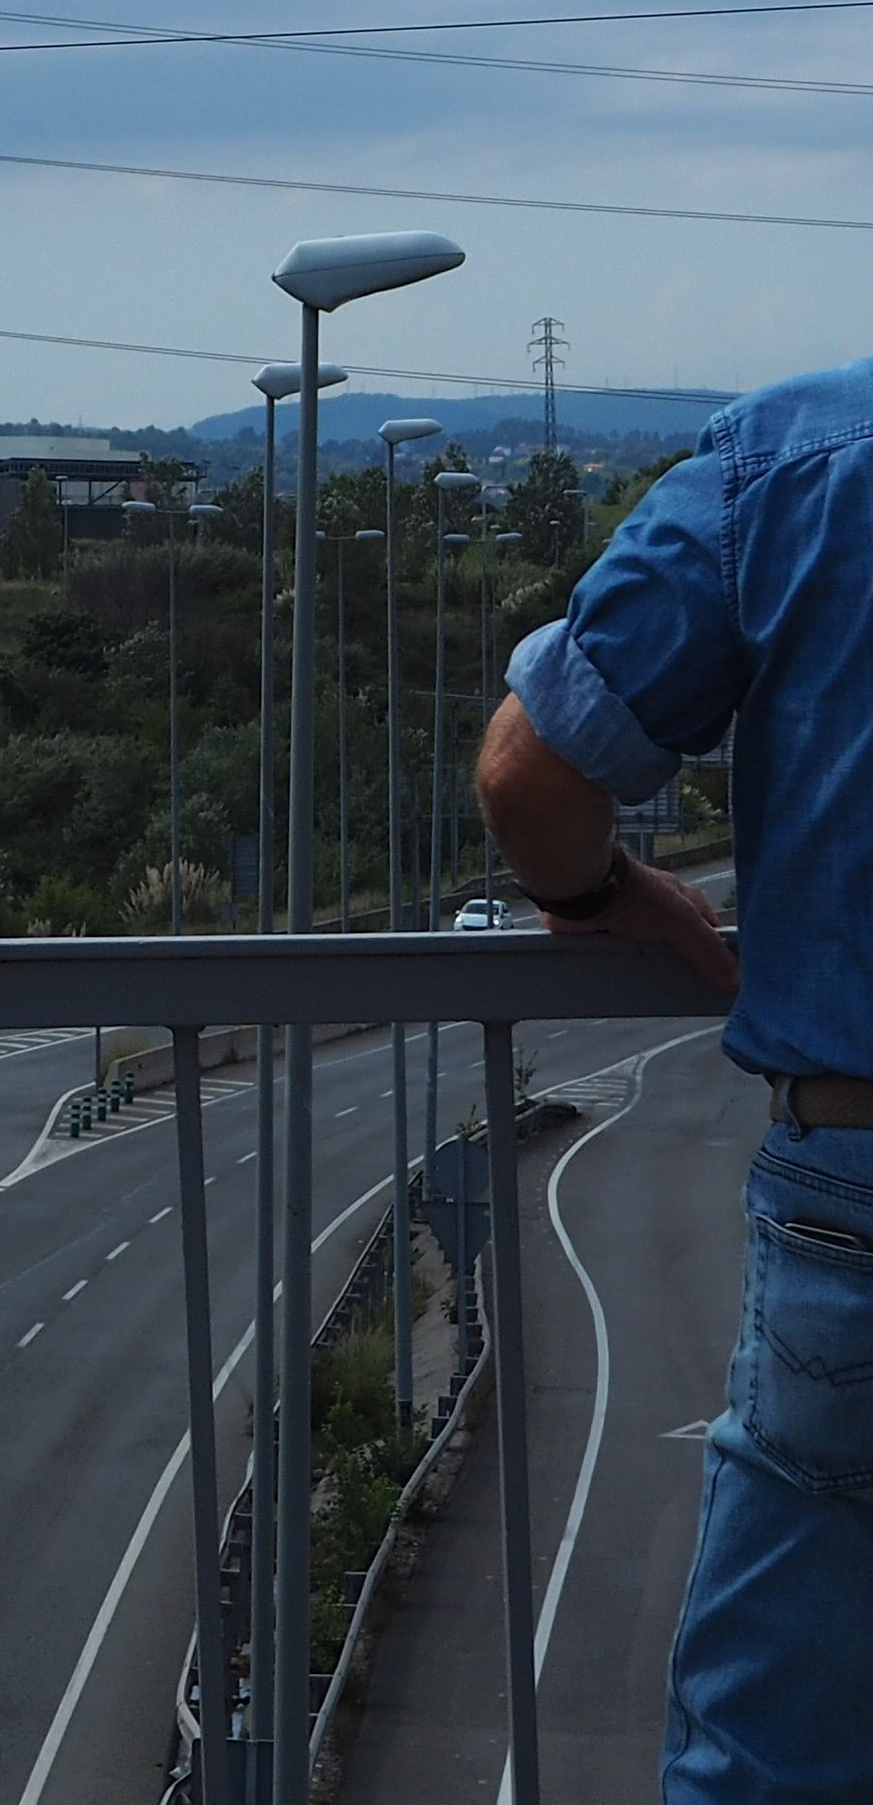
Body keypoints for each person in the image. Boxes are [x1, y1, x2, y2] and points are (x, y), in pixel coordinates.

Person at [475, 380, 823, 1805]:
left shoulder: (799, 465)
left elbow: (531, 775)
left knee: (772, 1744)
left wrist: (607, 893)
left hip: (856, 1185)